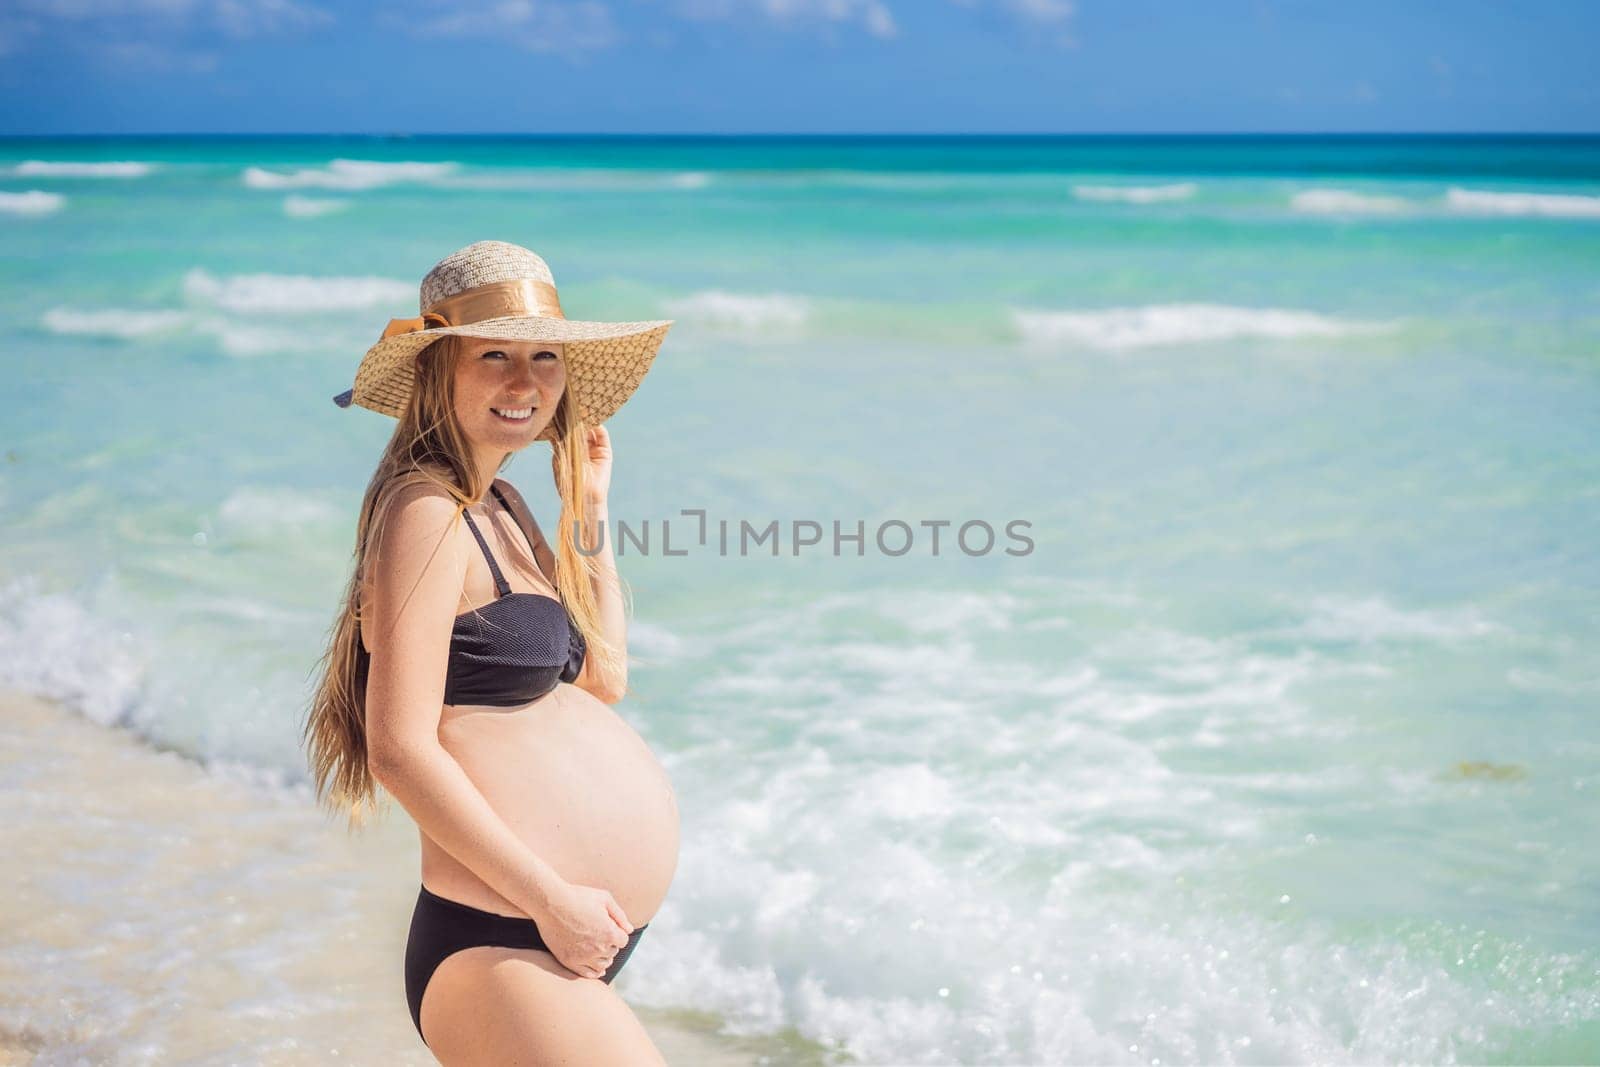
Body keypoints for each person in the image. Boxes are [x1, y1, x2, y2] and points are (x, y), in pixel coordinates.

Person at [301, 240, 681, 1064]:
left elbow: (605, 674)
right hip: (504, 933)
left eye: (545, 356)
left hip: (546, 930)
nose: (525, 381)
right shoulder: (425, 510)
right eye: (495, 356)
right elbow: (398, 747)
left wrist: (587, 505)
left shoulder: (498, 503)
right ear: (441, 371)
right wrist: (552, 901)